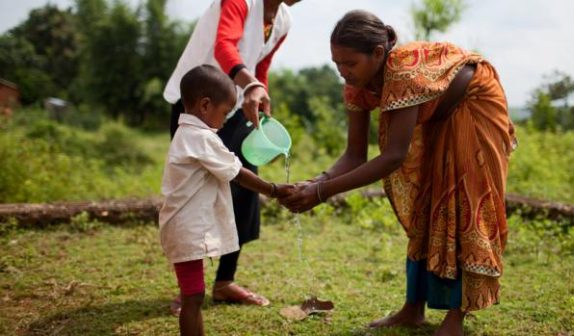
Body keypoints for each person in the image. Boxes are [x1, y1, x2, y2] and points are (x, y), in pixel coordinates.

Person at [279, 10, 517, 336]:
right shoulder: (357, 86)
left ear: (378, 54)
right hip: (435, 115)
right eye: (337, 64)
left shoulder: (402, 71)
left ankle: (455, 319)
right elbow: (354, 155)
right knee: (426, 203)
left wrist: (322, 193)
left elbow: (392, 157)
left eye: (350, 64)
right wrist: (318, 180)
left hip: (475, 105)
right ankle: (412, 308)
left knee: (464, 205)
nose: (343, 72)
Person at [163, 0, 302, 312]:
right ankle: (189, 289)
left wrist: (260, 91)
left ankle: (225, 281)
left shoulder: (284, 20)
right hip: (199, 103)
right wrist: (251, 84)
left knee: (241, 192)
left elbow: (261, 63)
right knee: (195, 193)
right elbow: (224, 45)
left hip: (235, 104)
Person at [160, 65, 290, 336]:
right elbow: (238, 173)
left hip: (182, 227)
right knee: (193, 300)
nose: (225, 119)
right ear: (205, 106)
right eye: (224, 112)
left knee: (193, 297)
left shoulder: (187, 134)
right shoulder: (202, 138)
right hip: (186, 229)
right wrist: (275, 190)